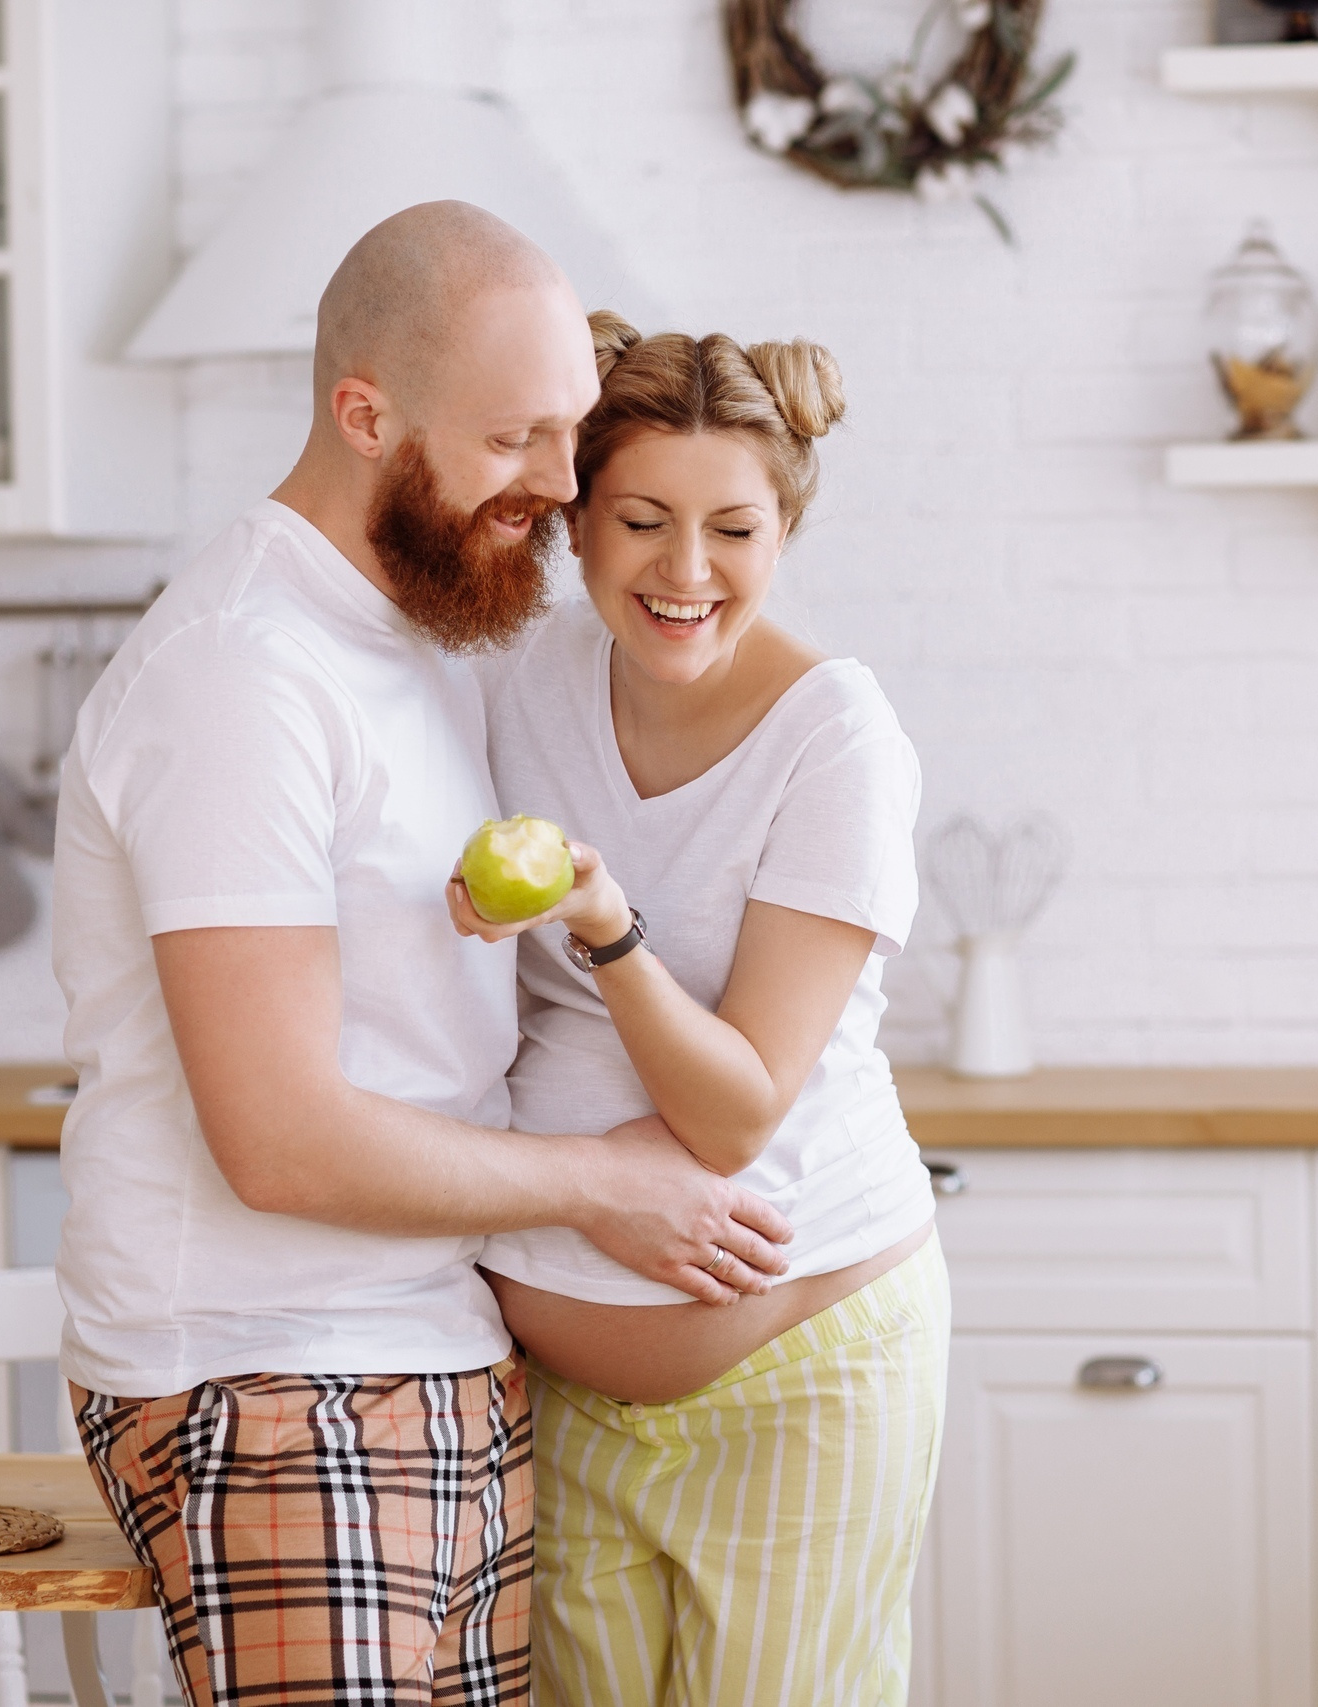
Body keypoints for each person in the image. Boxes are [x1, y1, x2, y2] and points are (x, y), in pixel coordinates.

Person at [49, 203, 792, 1707]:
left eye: (571, 432)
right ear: (364, 414)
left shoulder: (419, 637)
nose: (562, 487)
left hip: (432, 1360)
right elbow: (279, 1138)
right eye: (515, 440)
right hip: (268, 1385)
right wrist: (604, 1186)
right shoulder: (242, 673)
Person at [447, 313, 946, 1706]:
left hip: (804, 1383)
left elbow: (733, 1117)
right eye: (641, 522)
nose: (685, 572)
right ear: (577, 521)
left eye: (734, 530)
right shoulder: (517, 681)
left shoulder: (836, 737)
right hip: (557, 1392)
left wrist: (605, 925)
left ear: (783, 534)